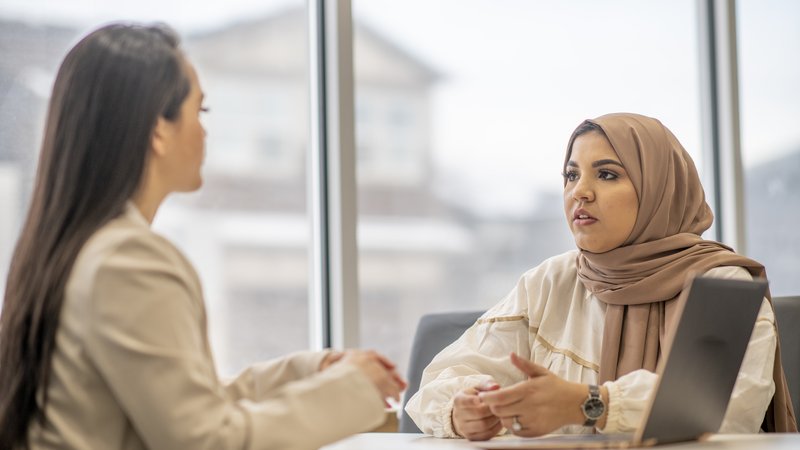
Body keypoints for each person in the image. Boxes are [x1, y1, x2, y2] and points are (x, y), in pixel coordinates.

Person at [0, 23, 406, 450]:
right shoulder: (127, 260)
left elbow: (183, 405)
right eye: (200, 111)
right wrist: (352, 391)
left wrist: (310, 372)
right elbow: (206, 440)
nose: (204, 131)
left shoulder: (79, 249)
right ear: (158, 129)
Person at [405, 112, 797, 440]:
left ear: (660, 188)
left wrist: (592, 403)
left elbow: (727, 409)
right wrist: (464, 408)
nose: (580, 192)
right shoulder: (550, 281)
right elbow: (440, 381)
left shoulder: (723, 284)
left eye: (607, 175)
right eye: (571, 175)